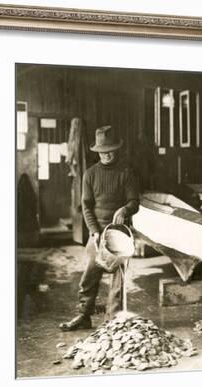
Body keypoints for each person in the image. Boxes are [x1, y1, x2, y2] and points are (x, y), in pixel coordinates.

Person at [59, 125, 139, 331]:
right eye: (102, 152)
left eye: (110, 150)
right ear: (98, 152)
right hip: (97, 233)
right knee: (90, 276)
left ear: (117, 149)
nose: (106, 155)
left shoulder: (126, 172)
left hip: (119, 233)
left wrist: (125, 209)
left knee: (118, 280)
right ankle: (84, 315)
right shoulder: (90, 174)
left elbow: (134, 202)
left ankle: (113, 321)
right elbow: (86, 206)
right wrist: (94, 231)